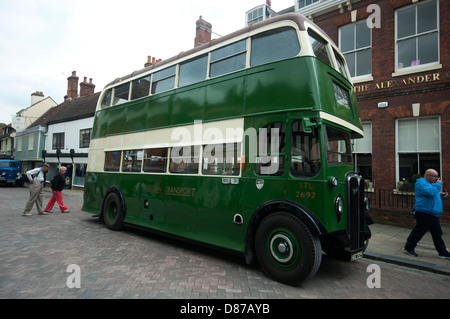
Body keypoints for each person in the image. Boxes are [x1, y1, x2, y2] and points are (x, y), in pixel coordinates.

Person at [404, 169, 450, 259]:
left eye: (437, 176)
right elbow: (430, 192)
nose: (437, 178)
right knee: (419, 232)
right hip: (424, 212)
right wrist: (438, 184)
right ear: (428, 176)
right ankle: (409, 248)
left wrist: (441, 195)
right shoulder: (421, 183)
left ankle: (442, 252)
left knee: (437, 233)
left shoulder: (430, 185)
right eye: (435, 176)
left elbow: (433, 195)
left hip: (432, 213)